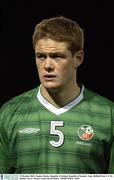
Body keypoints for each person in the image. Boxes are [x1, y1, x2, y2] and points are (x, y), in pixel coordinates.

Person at [0, 16, 114, 174]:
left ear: (78, 58)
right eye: (41, 56)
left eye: (57, 56)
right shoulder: (9, 113)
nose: (47, 65)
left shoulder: (108, 114)